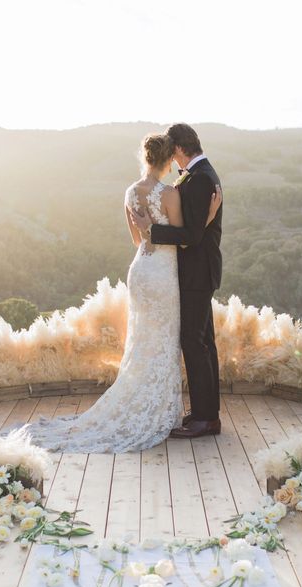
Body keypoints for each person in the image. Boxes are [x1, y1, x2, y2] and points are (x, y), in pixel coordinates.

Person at [16, 131, 221, 453]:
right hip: (164, 274)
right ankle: (161, 409)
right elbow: (185, 238)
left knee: (143, 341)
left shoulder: (129, 192)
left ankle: (142, 403)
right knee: (166, 341)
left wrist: (149, 229)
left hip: (140, 270)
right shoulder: (169, 193)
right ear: (169, 159)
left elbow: (138, 241)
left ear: (145, 157)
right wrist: (208, 217)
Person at [131, 123, 223, 439]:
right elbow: (197, 228)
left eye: (173, 152)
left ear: (180, 150)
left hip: (196, 272)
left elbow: (193, 236)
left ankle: (206, 418)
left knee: (194, 342)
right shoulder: (197, 175)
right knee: (203, 342)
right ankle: (206, 413)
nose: (172, 158)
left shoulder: (199, 179)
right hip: (196, 271)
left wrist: (151, 230)